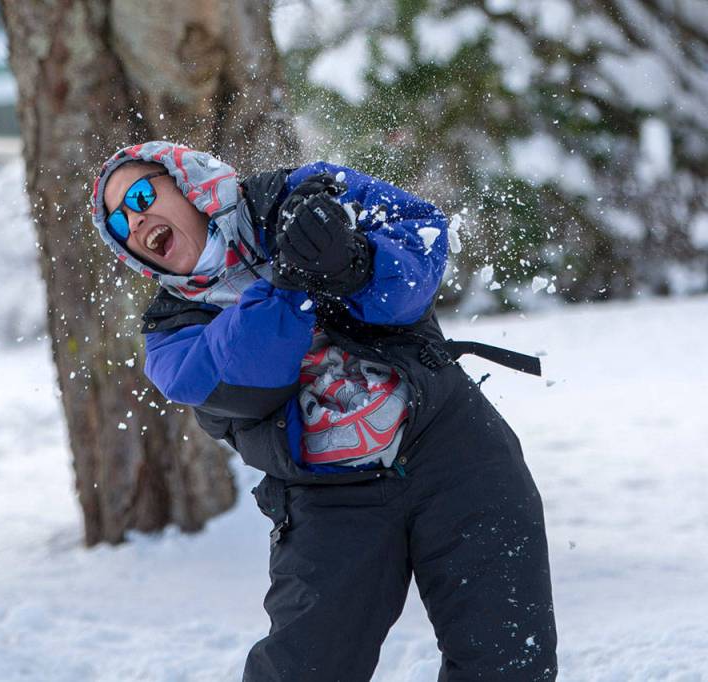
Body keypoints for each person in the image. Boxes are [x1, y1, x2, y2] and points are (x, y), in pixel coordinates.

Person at [91, 141, 557, 681]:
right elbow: (252, 374)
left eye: (144, 193)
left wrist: (357, 261)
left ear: (187, 180)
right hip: (328, 504)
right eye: (122, 223)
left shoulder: (302, 192)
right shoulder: (170, 339)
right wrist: (294, 282)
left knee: (508, 660)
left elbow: (421, 247)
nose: (137, 217)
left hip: (454, 450)